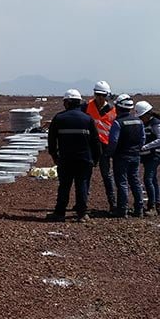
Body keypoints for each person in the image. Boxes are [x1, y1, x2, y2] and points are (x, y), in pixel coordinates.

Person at [46, 90, 101, 223]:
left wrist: (54, 155)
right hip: (84, 159)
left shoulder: (59, 118)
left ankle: (59, 213)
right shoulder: (88, 119)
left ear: (68, 102)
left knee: (64, 186)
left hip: (65, 159)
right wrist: (96, 159)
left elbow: (51, 139)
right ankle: (82, 214)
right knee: (82, 185)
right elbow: (95, 141)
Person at [106, 94, 145, 218]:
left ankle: (122, 209)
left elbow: (114, 141)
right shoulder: (139, 121)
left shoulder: (118, 123)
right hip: (135, 155)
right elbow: (143, 138)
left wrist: (110, 153)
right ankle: (139, 208)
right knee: (135, 181)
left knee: (122, 182)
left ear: (119, 107)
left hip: (121, 156)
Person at [81, 80, 116, 213]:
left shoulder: (113, 110)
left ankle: (112, 202)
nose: (100, 98)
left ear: (107, 95)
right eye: (97, 94)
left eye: (102, 95)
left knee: (106, 175)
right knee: (86, 175)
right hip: (90, 146)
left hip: (105, 147)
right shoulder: (86, 107)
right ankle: (83, 202)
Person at [135, 100, 160, 215]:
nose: (140, 119)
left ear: (147, 114)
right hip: (150, 155)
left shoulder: (156, 123)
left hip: (156, 155)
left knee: (148, 179)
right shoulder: (146, 123)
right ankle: (156, 205)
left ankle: (152, 206)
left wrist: (145, 147)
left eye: (141, 116)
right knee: (153, 179)